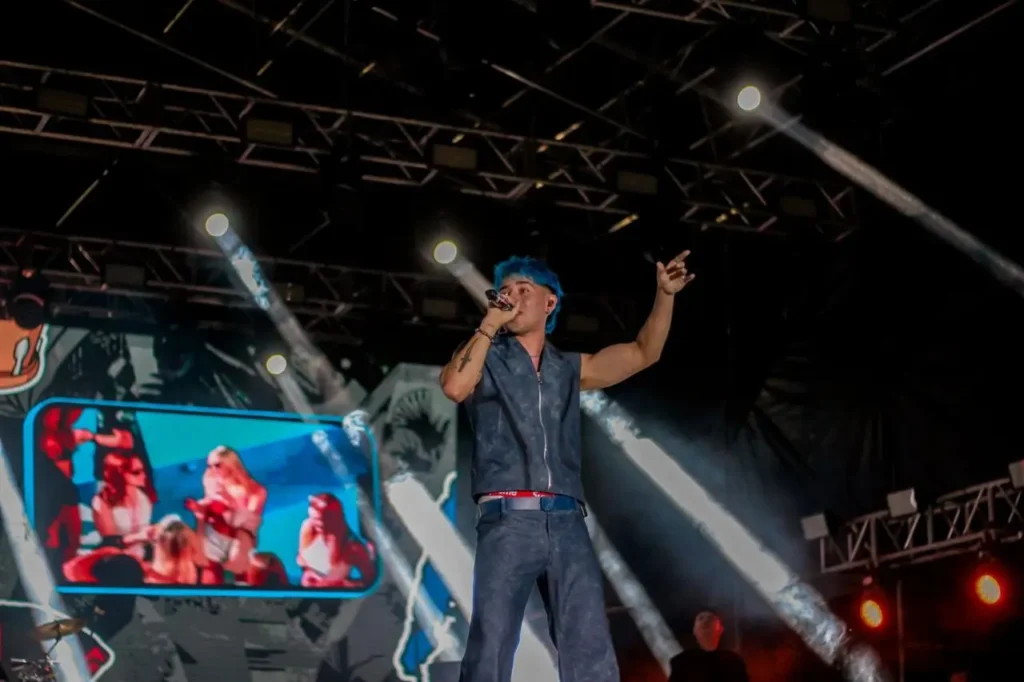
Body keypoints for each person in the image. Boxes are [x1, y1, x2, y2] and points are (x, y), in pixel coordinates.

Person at [440, 252, 695, 682]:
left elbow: (643, 353)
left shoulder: (569, 368)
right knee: (492, 644)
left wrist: (664, 296)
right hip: (508, 520)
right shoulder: (487, 358)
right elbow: (454, 385)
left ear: (549, 302)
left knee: (588, 646)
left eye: (524, 290)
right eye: (506, 291)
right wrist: (489, 324)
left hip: (567, 522)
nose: (513, 298)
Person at [668, 612, 749, 682]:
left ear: (721, 629)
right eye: (701, 618)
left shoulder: (735, 661)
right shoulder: (681, 662)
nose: (705, 620)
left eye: (710, 618)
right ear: (694, 630)